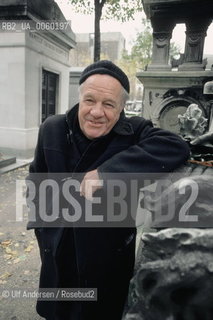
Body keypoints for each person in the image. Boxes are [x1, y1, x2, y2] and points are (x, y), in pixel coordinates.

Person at [27, 60, 190, 320]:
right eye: (89, 100)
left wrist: (107, 173)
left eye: (108, 104)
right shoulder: (52, 128)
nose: (96, 112)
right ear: (80, 98)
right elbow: (36, 180)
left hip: (105, 254)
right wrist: (43, 232)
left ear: (122, 108)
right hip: (58, 249)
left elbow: (176, 146)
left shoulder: (133, 131)